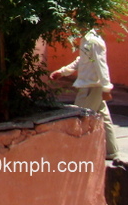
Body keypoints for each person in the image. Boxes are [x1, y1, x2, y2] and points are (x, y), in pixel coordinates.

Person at [50, 29, 118, 160]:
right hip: (90, 86)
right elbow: (82, 60)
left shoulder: (94, 41)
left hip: (91, 87)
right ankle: (111, 151)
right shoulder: (86, 40)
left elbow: (101, 66)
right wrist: (63, 71)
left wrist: (106, 89)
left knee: (80, 118)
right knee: (104, 118)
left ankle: (76, 153)